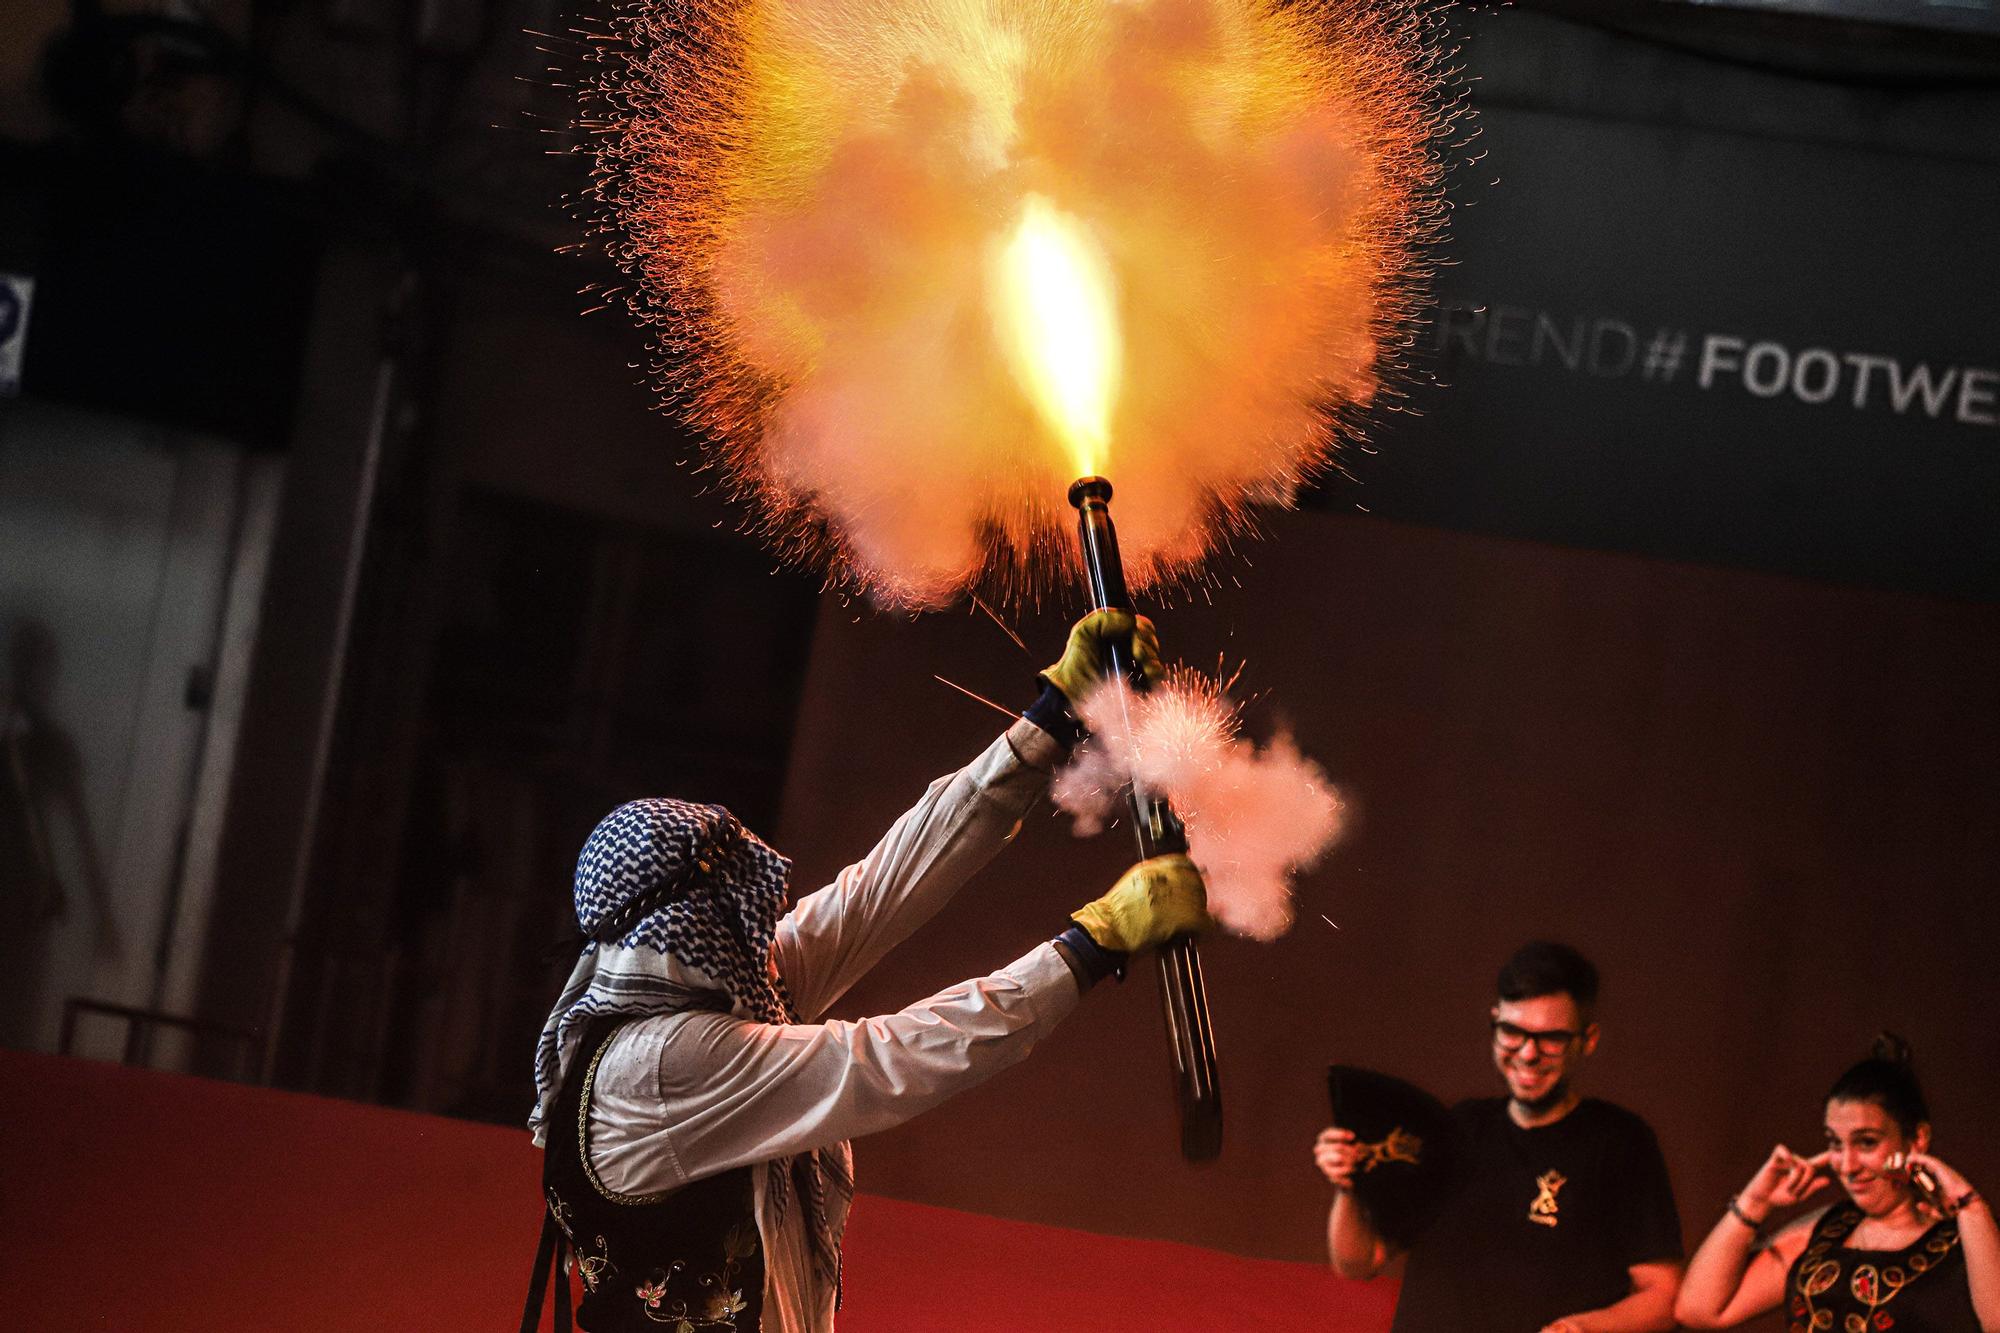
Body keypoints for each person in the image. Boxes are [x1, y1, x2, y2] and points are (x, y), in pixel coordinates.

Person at [521, 609, 1211, 1333]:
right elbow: (884, 1058)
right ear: (690, 918)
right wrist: (1092, 943)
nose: (757, 917)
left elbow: (880, 889)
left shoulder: (710, 991)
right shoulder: (660, 1063)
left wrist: (1049, 722)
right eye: (732, 899)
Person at [1313, 941, 1683, 1333]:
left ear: (1587, 1040)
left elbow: (1663, 1295)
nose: (1527, 1054)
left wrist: (1582, 1329)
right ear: (1495, 1023)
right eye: (1512, 1032)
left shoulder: (1620, 1142)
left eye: (1551, 1038)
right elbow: (1358, 1262)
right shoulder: (1453, 1128)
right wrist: (1348, 1186)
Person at [1674, 1034, 1999, 1332]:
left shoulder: (1963, 1238)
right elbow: (1699, 1309)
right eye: (1835, 1143)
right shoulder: (1830, 1228)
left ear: (1916, 1140)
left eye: (1867, 1142)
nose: (1847, 1165)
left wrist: (1971, 1208)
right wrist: (1755, 1202)